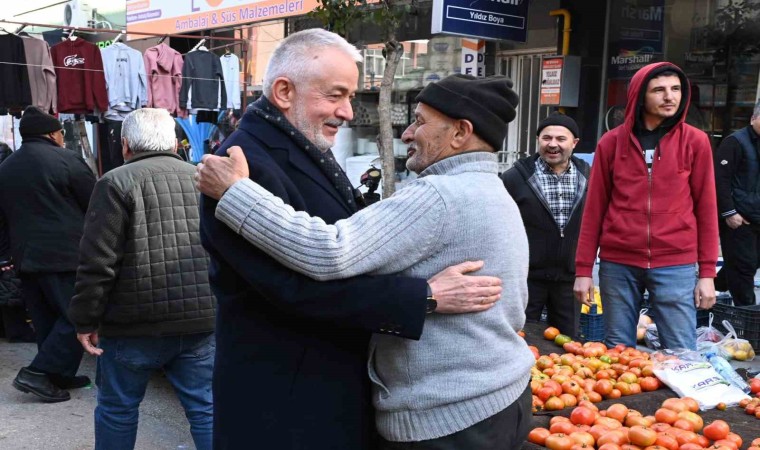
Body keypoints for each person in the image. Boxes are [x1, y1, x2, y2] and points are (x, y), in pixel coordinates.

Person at [197, 29, 505, 450]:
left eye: (350, 96)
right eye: (335, 95)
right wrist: (424, 297)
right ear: (284, 92)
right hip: (286, 403)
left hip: (325, 390)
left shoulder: (302, 143)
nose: (346, 112)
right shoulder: (240, 166)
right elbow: (294, 289)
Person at [67, 108, 215, 450]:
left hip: (132, 323)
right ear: (175, 144)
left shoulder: (115, 182)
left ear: (125, 145)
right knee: (205, 409)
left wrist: (85, 319)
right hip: (200, 320)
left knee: (118, 410)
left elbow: (98, 262)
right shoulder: (203, 180)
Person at [574, 62, 719, 351]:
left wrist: (707, 274)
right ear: (640, 95)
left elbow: (707, 209)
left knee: (681, 350)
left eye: (676, 89)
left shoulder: (696, 141)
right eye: (659, 90)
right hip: (618, 262)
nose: (670, 96)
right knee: (618, 350)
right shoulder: (611, 143)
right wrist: (583, 270)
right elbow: (594, 210)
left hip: (675, 262)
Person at [0, 106, 95, 403]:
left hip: (25, 257)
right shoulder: (67, 160)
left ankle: (57, 375)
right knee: (75, 316)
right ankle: (38, 372)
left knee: (45, 319)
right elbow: (94, 203)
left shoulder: (7, 167)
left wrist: (5, 256)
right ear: (53, 134)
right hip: (65, 255)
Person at [502, 113, 589, 338]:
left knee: (567, 342)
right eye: (546, 138)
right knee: (520, 337)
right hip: (526, 278)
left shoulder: (589, 177)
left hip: (569, 278)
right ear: (538, 140)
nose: (553, 144)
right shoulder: (514, 178)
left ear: (574, 143)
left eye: (561, 139)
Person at [714, 100, 760, 306]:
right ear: (753, 118)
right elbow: (719, 180)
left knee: (745, 264)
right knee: (744, 268)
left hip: (757, 215)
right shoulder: (735, 142)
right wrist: (729, 212)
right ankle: (747, 313)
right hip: (739, 219)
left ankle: (714, 286)